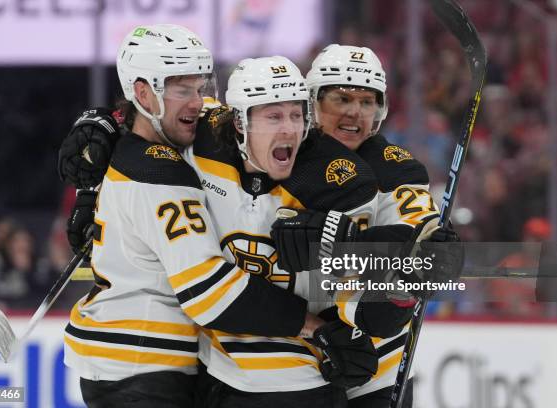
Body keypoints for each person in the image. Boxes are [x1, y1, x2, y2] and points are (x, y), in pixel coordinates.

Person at [62, 25, 335, 408]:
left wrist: (108, 120)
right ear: (144, 93)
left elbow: (217, 114)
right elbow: (208, 291)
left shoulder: (150, 145)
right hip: (144, 364)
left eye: (200, 86)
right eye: (181, 89)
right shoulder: (161, 172)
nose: (197, 102)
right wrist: (317, 329)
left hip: (132, 356)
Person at [271, 44, 463, 407]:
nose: (354, 113)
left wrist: (436, 256)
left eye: (367, 101)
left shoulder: (396, 168)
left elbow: (421, 250)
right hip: (286, 354)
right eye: (341, 98)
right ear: (311, 101)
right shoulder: (279, 153)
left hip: (376, 364)